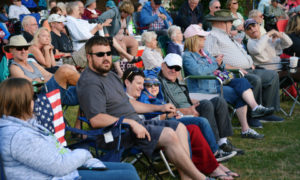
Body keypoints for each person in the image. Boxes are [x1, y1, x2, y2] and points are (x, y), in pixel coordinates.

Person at [77, 35, 209, 180]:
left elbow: (129, 103)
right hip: (115, 134)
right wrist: (132, 123)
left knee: (179, 127)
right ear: (89, 57)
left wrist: (159, 108)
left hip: (133, 126)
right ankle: (201, 178)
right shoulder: (90, 83)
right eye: (100, 54)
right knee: (169, 134)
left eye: (108, 53)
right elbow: (96, 119)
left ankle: (187, 177)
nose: (106, 58)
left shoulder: (110, 76)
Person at [0, 77, 140, 180]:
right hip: (60, 175)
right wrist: (84, 154)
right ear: (22, 102)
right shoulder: (19, 137)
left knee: (129, 168)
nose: (35, 100)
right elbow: (59, 166)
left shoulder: (23, 125)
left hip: (62, 171)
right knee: (128, 176)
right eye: (33, 96)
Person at [124, 67, 239, 179]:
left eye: (143, 84)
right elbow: (142, 120)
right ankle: (201, 171)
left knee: (193, 128)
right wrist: (164, 114)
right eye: (139, 84)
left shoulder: (139, 98)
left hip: (156, 126)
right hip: (141, 134)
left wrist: (167, 111)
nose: (142, 87)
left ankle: (212, 166)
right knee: (194, 125)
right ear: (127, 83)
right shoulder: (123, 100)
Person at [182, 25, 275, 139]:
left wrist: (220, 63)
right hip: (205, 88)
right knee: (239, 94)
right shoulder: (187, 56)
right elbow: (199, 72)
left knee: (241, 82)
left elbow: (218, 66)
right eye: (202, 37)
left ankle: (255, 108)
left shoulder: (204, 51)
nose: (205, 39)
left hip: (216, 82)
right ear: (194, 39)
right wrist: (215, 64)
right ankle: (246, 128)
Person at [204, 9, 282, 126]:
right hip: (233, 72)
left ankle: (266, 112)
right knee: (255, 80)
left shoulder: (226, 35)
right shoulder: (213, 36)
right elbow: (213, 61)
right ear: (222, 23)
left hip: (248, 68)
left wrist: (249, 61)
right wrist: (233, 68)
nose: (232, 25)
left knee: (272, 75)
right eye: (230, 22)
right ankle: (252, 116)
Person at [158, 53, 246, 154]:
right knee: (206, 105)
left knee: (219, 101)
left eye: (177, 68)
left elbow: (185, 98)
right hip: (180, 114)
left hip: (190, 107)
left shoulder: (177, 81)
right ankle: (215, 147)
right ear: (163, 65)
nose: (173, 70)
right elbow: (163, 109)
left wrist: (195, 102)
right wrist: (186, 111)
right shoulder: (158, 84)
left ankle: (223, 142)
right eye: (170, 66)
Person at [7, 35, 79, 106]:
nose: (23, 51)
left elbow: (49, 75)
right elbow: (29, 84)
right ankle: (87, 84)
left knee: (86, 91)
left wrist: (46, 79)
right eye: (19, 48)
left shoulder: (32, 63)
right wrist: (44, 79)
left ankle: (88, 86)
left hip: (53, 92)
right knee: (64, 70)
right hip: (40, 98)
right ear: (11, 50)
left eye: (25, 48)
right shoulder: (14, 67)